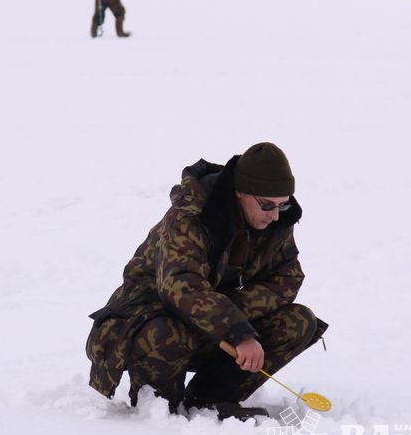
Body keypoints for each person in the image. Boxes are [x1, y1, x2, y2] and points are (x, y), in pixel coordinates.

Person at [86, 143, 328, 419]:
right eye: (267, 205)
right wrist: (237, 331)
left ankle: (209, 401)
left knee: (298, 321)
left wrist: (233, 318)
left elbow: (287, 278)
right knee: (164, 334)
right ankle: (156, 413)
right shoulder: (190, 217)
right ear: (240, 192)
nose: (275, 214)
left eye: (283, 204)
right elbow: (180, 286)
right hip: (146, 322)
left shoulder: (274, 222)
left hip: (210, 323)